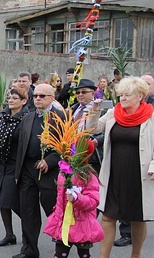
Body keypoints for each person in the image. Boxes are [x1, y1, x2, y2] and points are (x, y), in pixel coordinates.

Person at [86, 77, 154, 258]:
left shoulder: (151, 116)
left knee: (137, 218)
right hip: (114, 173)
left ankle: (136, 255)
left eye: (127, 95)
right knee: (108, 217)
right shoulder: (113, 113)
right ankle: (103, 256)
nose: (122, 98)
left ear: (140, 96)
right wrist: (93, 112)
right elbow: (93, 129)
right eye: (120, 95)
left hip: (138, 174)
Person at [13, 84, 64, 258]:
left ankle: (62, 246)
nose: (38, 99)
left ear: (52, 98)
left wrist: (49, 160)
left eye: (42, 96)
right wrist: (17, 173)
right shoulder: (28, 118)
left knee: (53, 211)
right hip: (28, 170)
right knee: (28, 211)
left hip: (50, 172)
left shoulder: (60, 117)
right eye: (35, 96)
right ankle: (29, 250)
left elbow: (66, 146)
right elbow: (21, 146)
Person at [0, 87, 29, 246]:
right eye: (9, 98)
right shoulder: (2, 115)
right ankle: (9, 234)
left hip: (15, 163)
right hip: (0, 162)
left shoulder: (26, 118)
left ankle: (29, 230)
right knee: (2, 200)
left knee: (12, 201)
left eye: (15, 98)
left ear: (24, 101)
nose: (10, 101)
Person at [43, 144, 104, 258]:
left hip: (82, 224)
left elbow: (93, 201)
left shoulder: (88, 177)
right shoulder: (64, 172)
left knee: (84, 254)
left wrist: (77, 198)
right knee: (60, 254)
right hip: (64, 223)